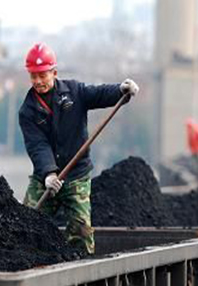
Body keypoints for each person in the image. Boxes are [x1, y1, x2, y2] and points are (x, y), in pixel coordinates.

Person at [19, 43, 139, 254]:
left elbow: (98, 94)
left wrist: (120, 90)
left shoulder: (74, 92)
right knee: (26, 225)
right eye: (33, 76)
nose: (38, 81)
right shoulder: (27, 111)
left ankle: (82, 265)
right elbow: (37, 145)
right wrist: (48, 173)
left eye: (42, 75)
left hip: (76, 176)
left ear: (54, 73)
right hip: (44, 179)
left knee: (81, 232)